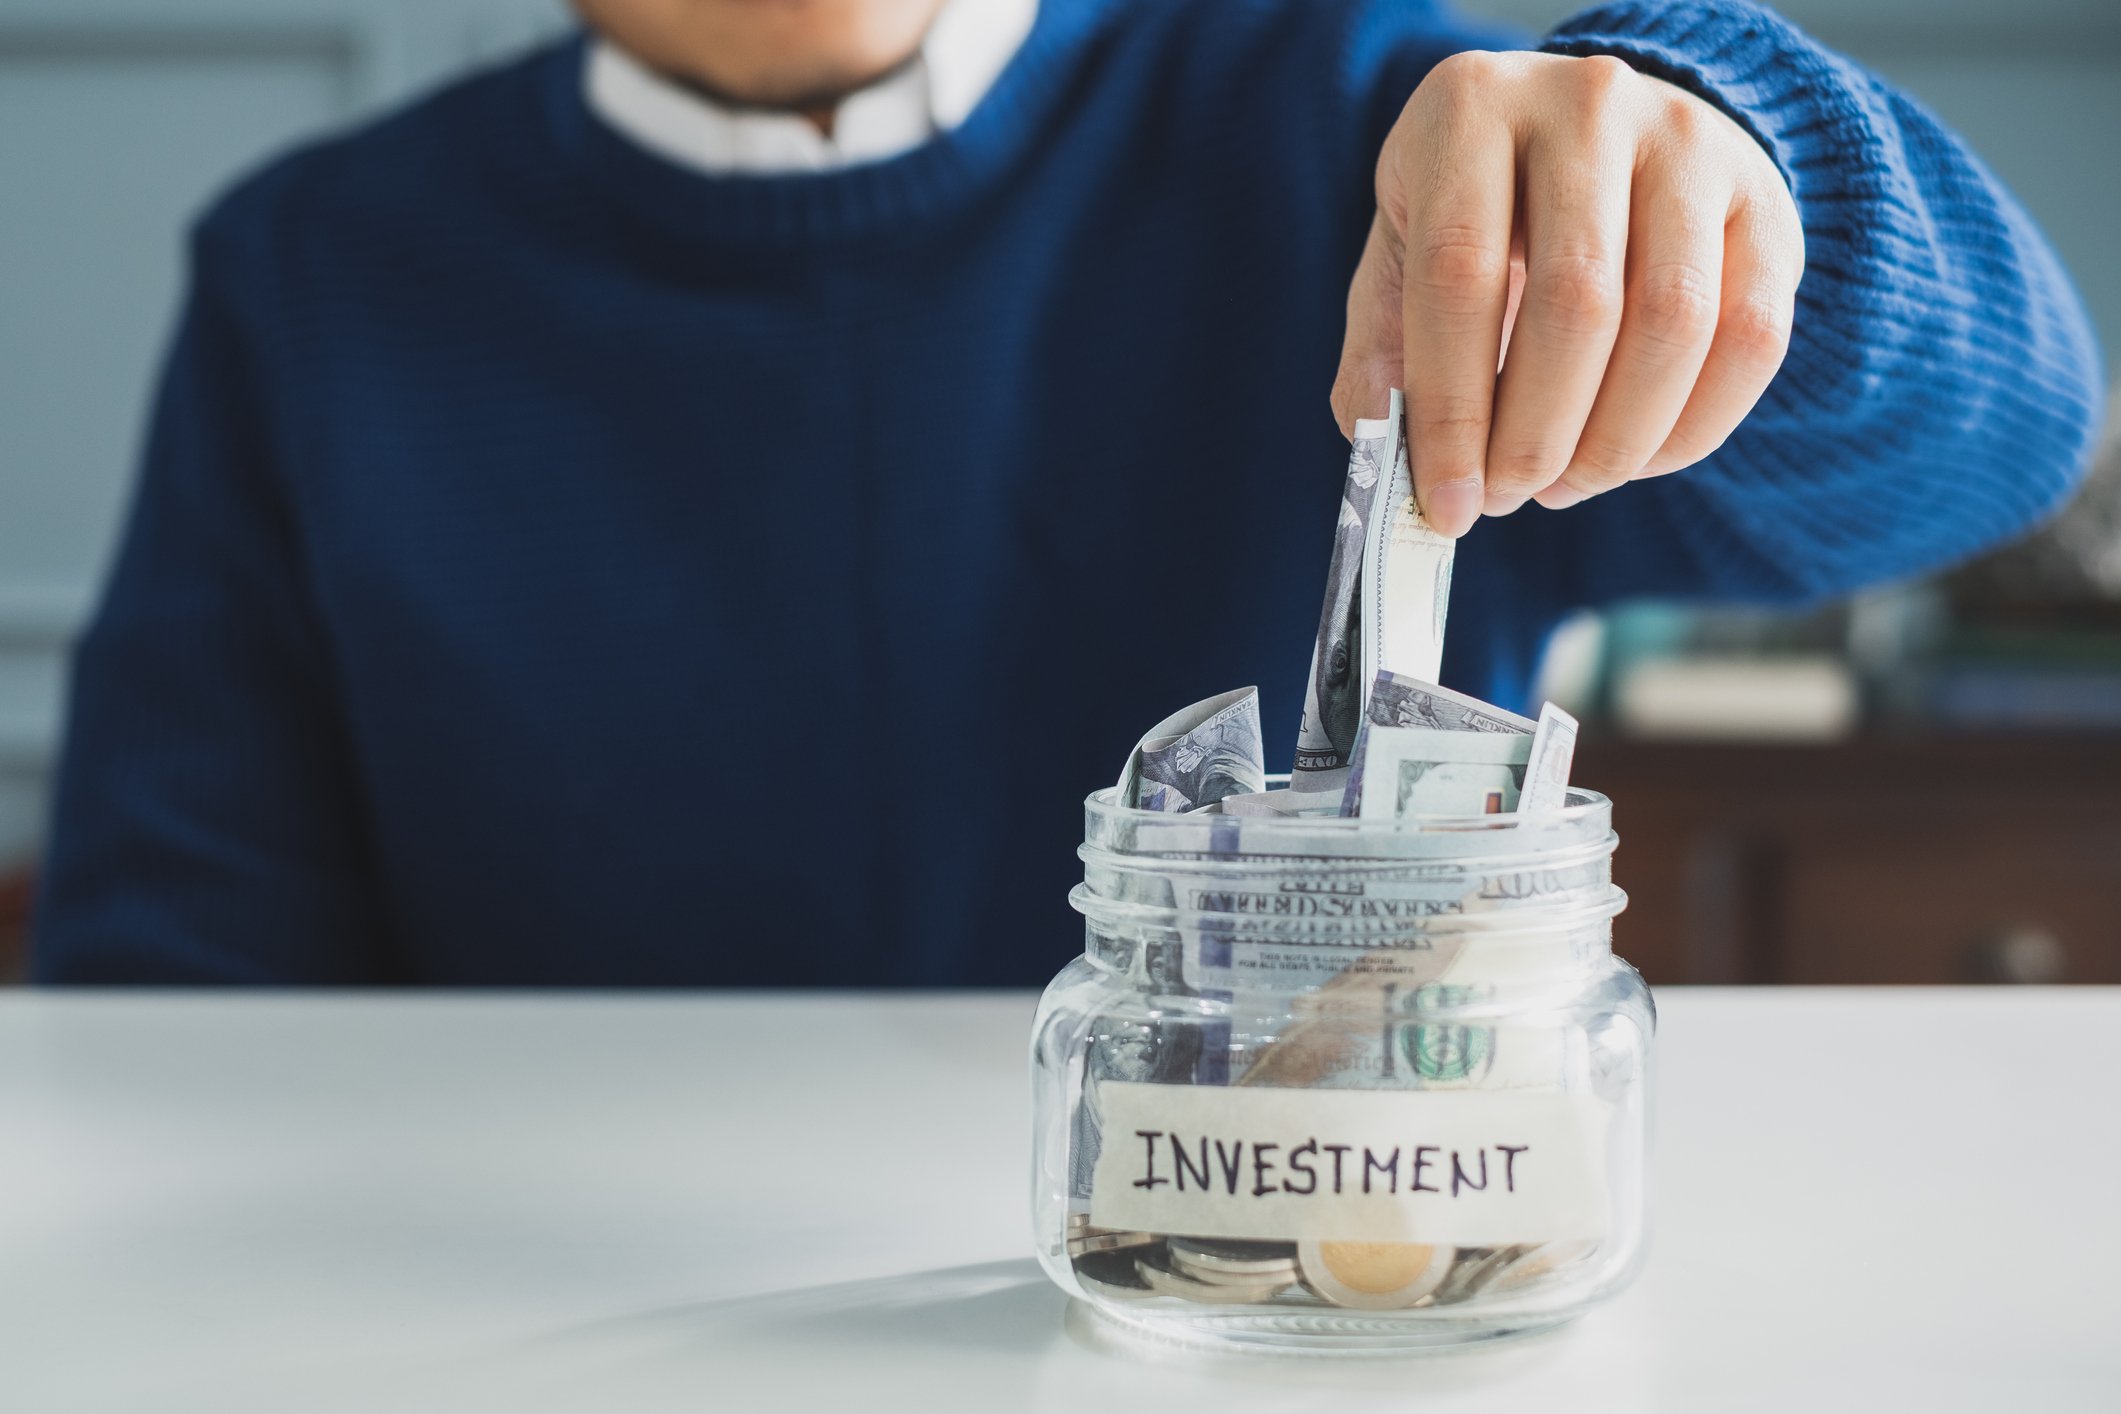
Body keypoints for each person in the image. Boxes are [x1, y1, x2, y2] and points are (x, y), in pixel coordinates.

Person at [33, 0, 2102, 986]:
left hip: (1298, 1288)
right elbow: (170, 973)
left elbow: (1993, 441)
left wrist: (1725, 160)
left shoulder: (1363, 132)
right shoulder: (317, 272)